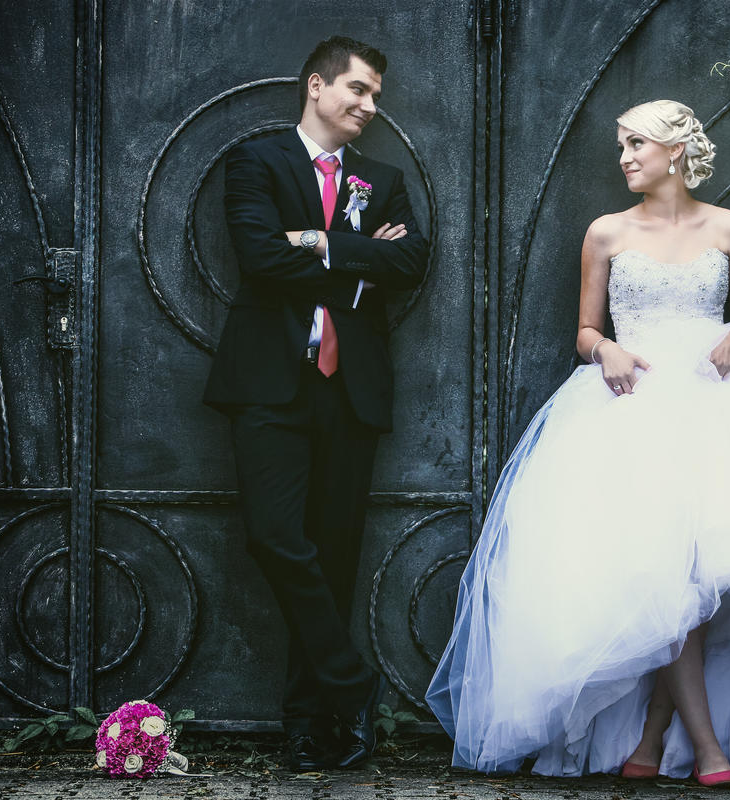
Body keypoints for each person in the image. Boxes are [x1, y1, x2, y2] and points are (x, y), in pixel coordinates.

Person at [426, 100, 730, 783]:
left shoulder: (729, 227)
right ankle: (705, 749)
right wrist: (605, 350)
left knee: (696, 576)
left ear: (674, 151)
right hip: (632, 407)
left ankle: (651, 741)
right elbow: (585, 331)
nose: (624, 157)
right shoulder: (606, 232)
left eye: (635, 144)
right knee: (664, 576)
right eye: (622, 145)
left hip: (717, 407)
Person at [204, 35, 428, 771]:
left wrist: (317, 243)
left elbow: (411, 259)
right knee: (275, 537)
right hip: (269, 383)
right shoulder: (257, 161)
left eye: (376, 96)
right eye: (358, 89)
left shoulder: (382, 179)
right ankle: (354, 684)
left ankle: (309, 725)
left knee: (333, 559)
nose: (369, 106)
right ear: (316, 86)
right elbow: (261, 256)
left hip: (349, 389)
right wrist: (359, 261)